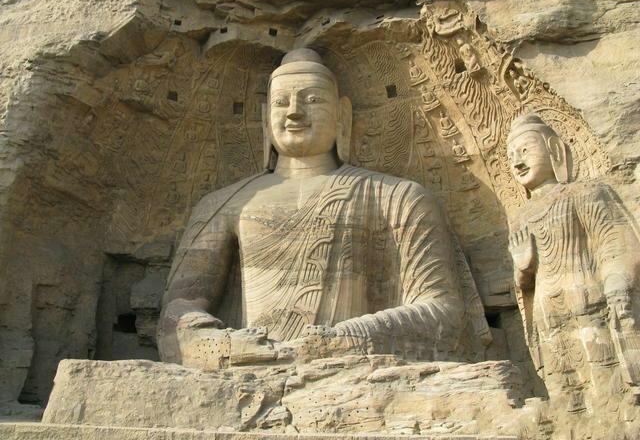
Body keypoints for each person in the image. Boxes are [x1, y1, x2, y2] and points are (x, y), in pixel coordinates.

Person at [158, 48, 489, 370]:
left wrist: (344, 338)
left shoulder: (399, 197)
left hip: (355, 373)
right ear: (264, 118)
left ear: (343, 114)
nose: (294, 113)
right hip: (247, 371)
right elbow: (176, 316)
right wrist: (226, 345)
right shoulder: (223, 205)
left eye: (313, 99)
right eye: (281, 102)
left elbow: (445, 314)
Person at [507, 113, 640, 418]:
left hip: (589, 304)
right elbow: (524, 283)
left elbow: (613, 242)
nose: (517, 162)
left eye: (525, 150)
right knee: (567, 394)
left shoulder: (586, 192)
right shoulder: (520, 217)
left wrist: (616, 282)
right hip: (548, 315)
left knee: (608, 385)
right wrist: (523, 267)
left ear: (554, 149)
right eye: (511, 156)